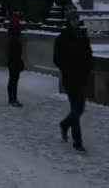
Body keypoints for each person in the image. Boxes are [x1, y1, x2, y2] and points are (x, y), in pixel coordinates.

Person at [54, 11, 93, 152]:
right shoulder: (62, 37)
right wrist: (67, 68)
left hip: (82, 77)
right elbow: (57, 59)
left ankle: (65, 124)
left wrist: (87, 68)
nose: (76, 21)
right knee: (76, 110)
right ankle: (77, 142)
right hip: (70, 78)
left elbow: (89, 54)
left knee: (80, 109)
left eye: (77, 19)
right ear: (68, 21)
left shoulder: (83, 35)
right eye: (73, 19)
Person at [7, 14, 24, 107]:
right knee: (14, 80)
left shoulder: (12, 35)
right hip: (15, 61)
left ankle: (11, 99)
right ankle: (14, 99)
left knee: (12, 80)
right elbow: (16, 51)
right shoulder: (15, 36)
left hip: (13, 60)